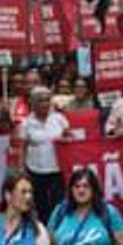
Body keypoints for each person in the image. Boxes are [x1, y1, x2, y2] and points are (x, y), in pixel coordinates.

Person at [17, 86, 70, 224]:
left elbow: (71, 138)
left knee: (58, 204)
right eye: (41, 101)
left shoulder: (59, 119)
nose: (45, 104)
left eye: (47, 100)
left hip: (57, 170)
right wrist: (21, 169)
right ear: (33, 104)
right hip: (35, 171)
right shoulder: (26, 123)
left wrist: (66, 138)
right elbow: (22, 148)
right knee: (39, 205)